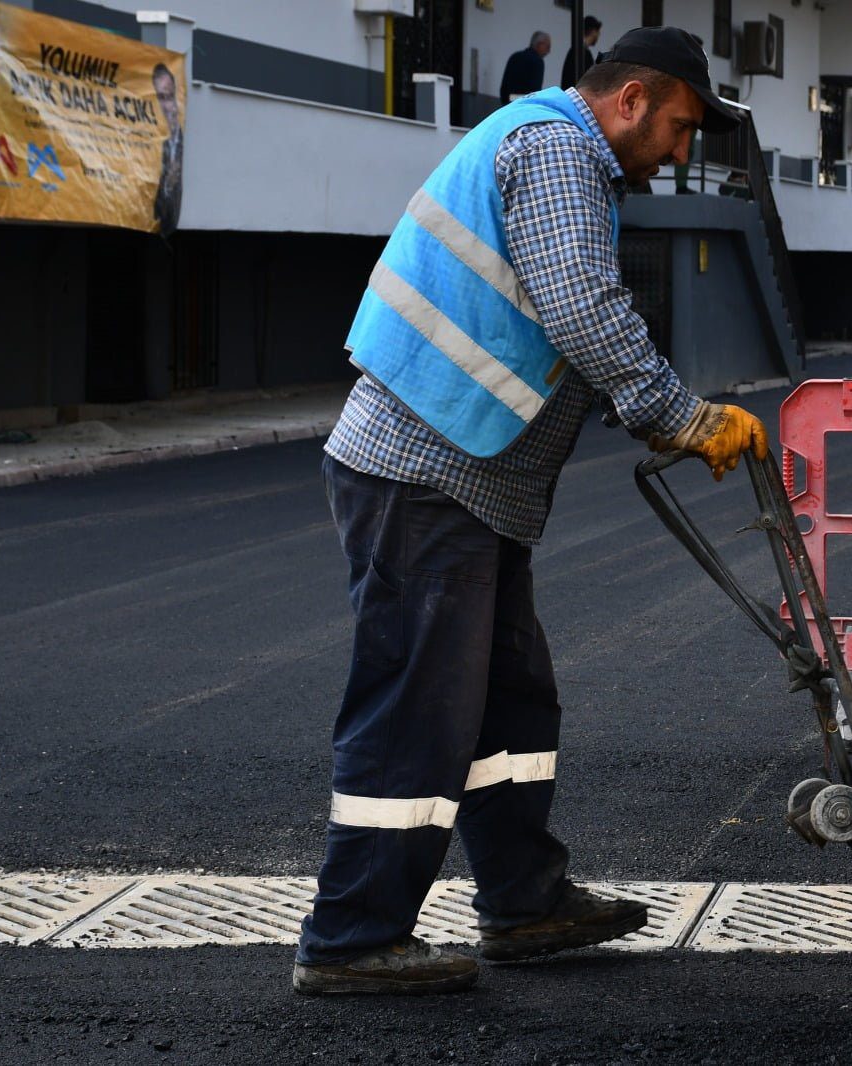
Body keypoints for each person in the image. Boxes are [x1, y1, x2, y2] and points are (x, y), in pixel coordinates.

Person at [293, 27, 760, 997]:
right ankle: (350, 934)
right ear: (630, 97)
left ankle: (523, 898)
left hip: (465, 477)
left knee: (511, 700)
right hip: (424, 471)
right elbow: (583, 309)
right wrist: (679, 416)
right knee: (420, 705)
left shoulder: (547, 145)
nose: (679, 152)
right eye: (677, 127)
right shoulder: (556, 150)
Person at [151, 63, 183, 236]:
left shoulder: (180, 142)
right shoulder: (150, 144)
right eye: (160, 98)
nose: (165, 107)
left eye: (169, 97)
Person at [499, 31, 552, 102]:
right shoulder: (537, 61)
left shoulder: (514, 57)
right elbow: (535, 92)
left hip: (507, 104)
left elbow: (504, 89)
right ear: (539, 44)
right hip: (524, 105)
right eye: (548, 46)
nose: (548, 51)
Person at [560, 16, 602, 91]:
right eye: (598, 32)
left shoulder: (575, 50)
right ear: (593, 31)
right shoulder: (582, 52)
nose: (598, 35)